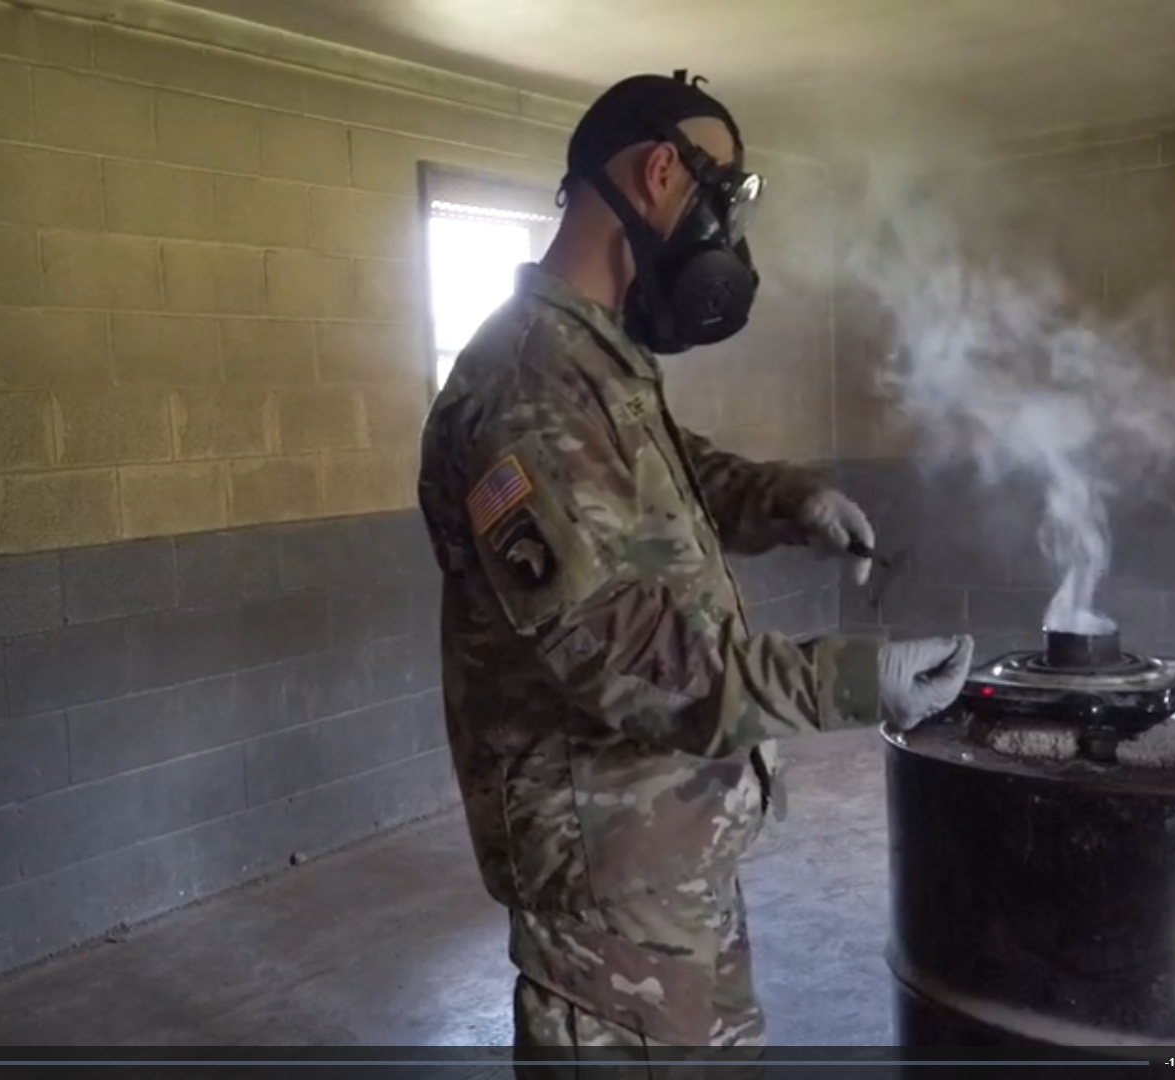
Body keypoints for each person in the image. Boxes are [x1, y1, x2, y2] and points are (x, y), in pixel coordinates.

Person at [415, 72, 977, 1059]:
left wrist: (786, 501)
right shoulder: (525, 382)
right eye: (726, 198)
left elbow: (664, 470)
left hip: (667, 832)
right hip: (603, 861)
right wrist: (851, 680)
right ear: (661, 173)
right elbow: (621, 655)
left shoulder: (588, 356)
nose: (727, 236)